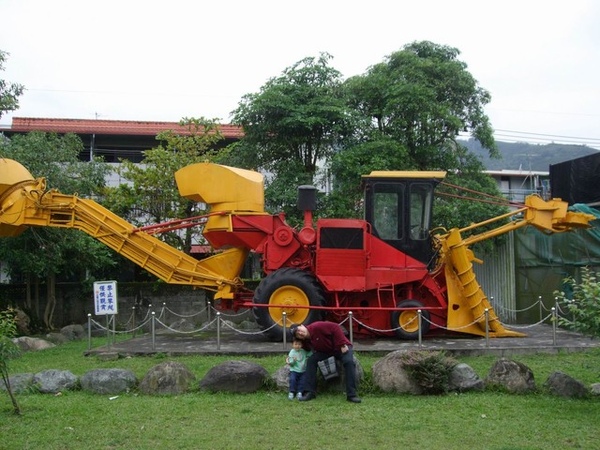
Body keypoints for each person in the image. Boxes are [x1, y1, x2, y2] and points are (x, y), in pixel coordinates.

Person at [290, 321, 361, 403]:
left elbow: (335, 327)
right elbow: (304, 349)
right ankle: (309, 392)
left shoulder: (316, 326)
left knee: (348, 362)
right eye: (297, 334)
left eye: (299, 330)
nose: (300, 333)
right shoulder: (306, 341)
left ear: (302, 325)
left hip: (341, 347)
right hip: (327, 352)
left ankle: (351, 395)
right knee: (311, 361)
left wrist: (342, 344)